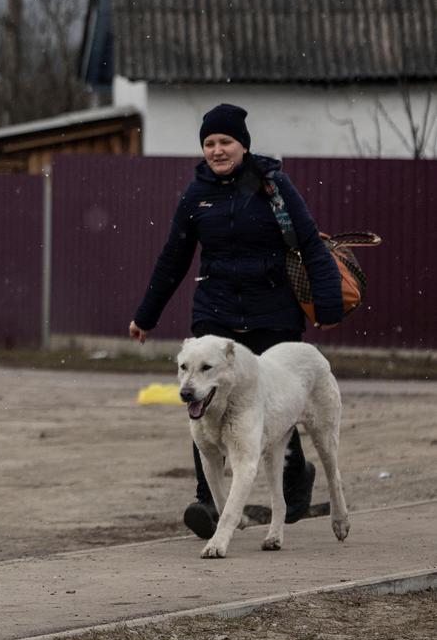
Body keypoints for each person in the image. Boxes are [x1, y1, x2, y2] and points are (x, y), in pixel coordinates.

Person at [128, 103, 344, 539]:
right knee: (204, 407)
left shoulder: (274, 187)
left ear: (243, 145)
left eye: (225, 141)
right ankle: (209, 501)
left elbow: (310, 243)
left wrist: (329, 304)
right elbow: (174, 259)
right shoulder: (196, 195)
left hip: (273, 311)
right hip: (217, 311)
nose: (217, 150)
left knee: (273, 403)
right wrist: (145, 316)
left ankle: (295, 474)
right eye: (209, 143)